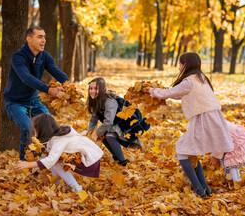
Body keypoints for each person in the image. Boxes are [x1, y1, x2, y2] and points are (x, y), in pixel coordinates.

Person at [149, 52, 235, 198]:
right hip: (213, 118)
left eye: (180, 64)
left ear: (185, 65)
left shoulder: (189, 81)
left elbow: (169, 93)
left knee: (182, 151)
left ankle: (198, 189)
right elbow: (178, 94)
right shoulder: (202, 78)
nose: (178, 68)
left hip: (204, 120)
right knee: (190, 153)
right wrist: (162, 92)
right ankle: (205, 188)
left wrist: (152, 91)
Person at [4, 26, 69, 160]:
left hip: (33, 101)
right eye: (40, 37)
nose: (44, 40)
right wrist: (48, 90)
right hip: (15, 102)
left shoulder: (44, 56)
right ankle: (23, 165)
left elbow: (57, 72)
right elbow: (26, 77)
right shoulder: (18, 57)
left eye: (44, 37)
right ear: (29, 39)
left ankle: (44, 161)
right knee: (29, 128)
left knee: (50, 126)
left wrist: (69, 87)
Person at [15, 113, 103, 192]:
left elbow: (51, 159)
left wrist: (28, 164)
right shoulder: (52, 138)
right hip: (82, 157)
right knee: (54, 162)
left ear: (43, 130)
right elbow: (45, 156)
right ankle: (57, 185)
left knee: (56, 164)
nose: (34, 132)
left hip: (89, 159)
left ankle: (77, 189)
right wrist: (33, 169)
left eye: (36, 130)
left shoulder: (58, 139)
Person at [87, 77, 150, 166]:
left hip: (125, 126)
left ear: (102, 90)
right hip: (114, 126)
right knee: (103, 135)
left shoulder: (109, 102)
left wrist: (96, 133)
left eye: (96, 89)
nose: (92, 91)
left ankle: (123, 161)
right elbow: (94, 119)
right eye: (91, 88)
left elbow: (108, 121)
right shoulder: (95, 101)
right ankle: (116, 157)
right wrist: (91, 132)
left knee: (108, 135)